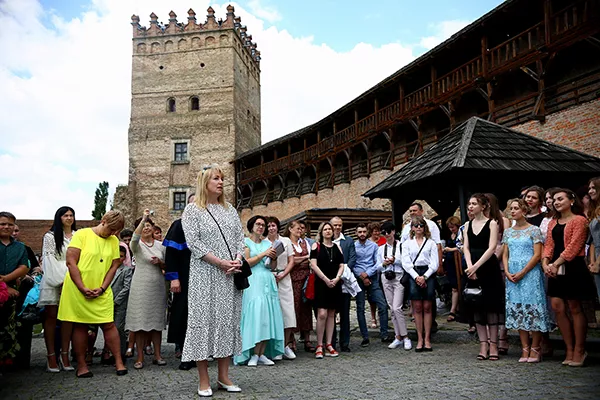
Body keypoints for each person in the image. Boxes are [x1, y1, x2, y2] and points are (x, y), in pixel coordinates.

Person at [181, 165, 244, 397]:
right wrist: (220, 262)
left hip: (229, 276)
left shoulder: (230, 210)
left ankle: (224, 377)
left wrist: (237, 259)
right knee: (202, 322)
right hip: (204, 274)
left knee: (226, 322)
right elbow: (193, 243)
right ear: (204, 182)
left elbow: (240, 238)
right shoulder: (192, 210)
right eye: (215, 178)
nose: (220, 182)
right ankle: (204, 379)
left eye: (222, 178)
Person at [57, 210, 128, 377]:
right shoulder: (82, 235)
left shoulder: (113, 240)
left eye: (117, 231)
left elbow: (113, 267)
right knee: (80, 325)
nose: (113, 233)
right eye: (111, 229)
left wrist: (103, 288)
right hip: (78, 288)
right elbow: (71, 262)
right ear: (103, 221)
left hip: (101, 289)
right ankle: (82, 365)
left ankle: (118, 362)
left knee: (109, 324)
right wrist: (82, 287)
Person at [543, 189, 595, 367]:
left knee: (574, 307)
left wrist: (555, 264)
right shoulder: (553, 222)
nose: (556, 202)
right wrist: (545, 263)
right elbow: (549, 245)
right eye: (554, 200)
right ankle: (569, 349)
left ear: (571, 200)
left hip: (573, 267)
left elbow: (574, 246)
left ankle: (580, 350)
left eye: (560, 199)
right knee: (557, 306)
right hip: (554, 267)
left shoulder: (580, 220)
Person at [502, 199, 551, 363]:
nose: (513, 211)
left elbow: (537, 254)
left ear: (524, 210)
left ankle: (536, 347)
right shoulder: (508, 232)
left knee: (532, 308)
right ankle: (524, 348)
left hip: (530, 273)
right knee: (519, 310)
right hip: (512, 273)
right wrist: (507, 271)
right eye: (511, 208)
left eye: (516, 208)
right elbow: (505, 254)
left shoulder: (534, 230)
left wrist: (523, 271)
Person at [235, 216, 284, 366]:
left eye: (263, 225)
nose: (261, 227)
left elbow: (272, 266)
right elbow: (247, 263)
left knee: (267, 317)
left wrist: (273, 257)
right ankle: (251, 352)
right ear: (252, 226)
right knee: (255, 315)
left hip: (267, 280)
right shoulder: (245, 242)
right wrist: (264, 254)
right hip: (253, 280)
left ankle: (261, 353)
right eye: (258, 224)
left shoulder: (268, 243)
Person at [463, 194, 504, 361]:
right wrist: (469, 266)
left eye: (474, 204)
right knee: (477, 307)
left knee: (491, 307)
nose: (471, 207)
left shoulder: (492, 223)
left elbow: (492, 247)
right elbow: (466, 247)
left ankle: (493, 344)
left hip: (488, 267)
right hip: (471, 267)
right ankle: (483, 344)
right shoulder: (467, 225)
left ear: (484, 206)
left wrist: (476, 266)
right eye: (469, 204)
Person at [125, 211, 167, 369]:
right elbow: (134, 238)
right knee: (140, 323)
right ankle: (140, 357)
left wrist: (160, 262)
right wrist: (143, 219)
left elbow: (167, 265)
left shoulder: (161, 246)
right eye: (144, 226)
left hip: (157, 285)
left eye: (149, 225)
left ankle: (158, 355)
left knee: (157, 322)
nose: (146, 228)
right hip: (140, 286)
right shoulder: (136, 245)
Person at [38, 206, 76, 372]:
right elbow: (49, 260)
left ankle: (65, 354)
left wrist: (73, 279)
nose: (69, 218)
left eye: (71, 215)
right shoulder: (50, 236)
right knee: (51, 318)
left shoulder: (77, 235)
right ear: (59, 217)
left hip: (73, 279)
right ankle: (51, 356)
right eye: (65, 215)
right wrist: (60, 281)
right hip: (54, 280)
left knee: (68, 318)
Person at [164, 194, 195, 370]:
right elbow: (171, 254)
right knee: (184, 315)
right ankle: (186, 354)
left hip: (203, 278)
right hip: (184, 276)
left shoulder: (207, 225)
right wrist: (174, 278)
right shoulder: (179, 225)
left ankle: (201, 353)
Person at [402, 216, 439, 352]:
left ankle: (427, 338)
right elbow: (406, 263)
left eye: (421, 225)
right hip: (414, 273)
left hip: (428, 273)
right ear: (412, 228)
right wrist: (416, 277)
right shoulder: (407, 244)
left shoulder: (431, 243)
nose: (418, 228)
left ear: (425, 228)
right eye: (416, 225)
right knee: (417, 307)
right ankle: (420, 338)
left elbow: (434, 263)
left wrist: (425, 276)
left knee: (427, 306)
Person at [310, 222, 344, 359]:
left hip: (334, 283)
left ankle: (329, 344)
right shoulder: (316, 246)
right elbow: (313, 264)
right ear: (321, 232)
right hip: (321, 283)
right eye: (325, 229)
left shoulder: (337, 247)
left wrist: (337, 278)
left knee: (331, 314)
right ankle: (319, 344)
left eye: (330, 229)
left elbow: (341, 265)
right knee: (322, 313)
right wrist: (325, 279)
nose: (328, 231)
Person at [0, 212, 30, 368]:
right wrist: (4, 287)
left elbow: (24, 267)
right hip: (5, 290)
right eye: (2, 224)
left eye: (10, 224)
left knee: (8, 328)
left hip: (12, 293)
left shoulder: (20, 247)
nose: (6, 227)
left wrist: (6, 280)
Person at [266, 216, 297, 360]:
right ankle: (274, 348)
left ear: (278, 227)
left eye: (273, 225)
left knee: (288, 312)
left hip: (284, 277)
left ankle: (285, 345)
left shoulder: (286, 241)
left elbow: (291, 261)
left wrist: (284, 274)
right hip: (269, 278)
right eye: (268, 226)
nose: (271, 228)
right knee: (272, 313)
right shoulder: (263, 242)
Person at [353, 223, 389, 346]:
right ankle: (365, 337)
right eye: (360, 232)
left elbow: (377, 263)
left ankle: (384, 334)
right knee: (360, 307)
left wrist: (367, 274)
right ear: (356, 233)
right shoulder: (353, 246)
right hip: (359, 279)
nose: (362, 234)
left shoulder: (374, 246)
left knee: (382, 305)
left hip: (372, 277)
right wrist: (361, 276)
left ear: (367, 232)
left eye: (364, 232)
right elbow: (352, 264)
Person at [378, 221, 412, 350]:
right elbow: (377, 266)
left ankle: (405, 336)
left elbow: (406, 262)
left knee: (397, 307)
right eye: (384, 232)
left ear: (393, 231)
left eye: (388, 231)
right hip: (386, 277)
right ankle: (398, 336)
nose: (387, 234)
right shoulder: (381, 249)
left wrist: (395, 261)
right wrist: (384, 263)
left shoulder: (402, 246)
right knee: (392, 308)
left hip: (398, 277)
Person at [282, 220, 314, 352]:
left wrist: (299, 260)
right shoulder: (286, 243)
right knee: (293, 308)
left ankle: (307, 339)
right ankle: (291, 339)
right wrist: (305, 258)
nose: (300, 230)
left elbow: (311, 259)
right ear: (290, 229)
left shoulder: (305, 243)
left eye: (301, 228)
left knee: (306, 308)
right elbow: (290, 261)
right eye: (297, 228)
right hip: (292, 279)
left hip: (306, 279)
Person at [484, 193, 510, 355]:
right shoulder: (479, 221)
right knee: (487, 302)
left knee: (502, 301)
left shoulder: (503, 220)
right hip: (483, 262)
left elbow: (505, 243)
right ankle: (488, 337)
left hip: (498, 262)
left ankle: (503, 336)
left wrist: (494, 259)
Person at [330, 216, 357, 351]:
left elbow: (352, 258)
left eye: (339, 225)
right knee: (331, 314)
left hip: (344, 281)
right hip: (330, 281)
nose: (337, 227)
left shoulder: (348, 241)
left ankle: (344, 343)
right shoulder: (326, 241)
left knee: (345, 314)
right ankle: (331, 342)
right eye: (335, 225)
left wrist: (342, 273)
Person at [105, 246, 133, 360]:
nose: (119, 258)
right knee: (107, 328)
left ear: (124, 257)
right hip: (106, 302)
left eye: (121, 256)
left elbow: (126, 287)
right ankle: (107, 352)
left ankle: (120, 353)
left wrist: (116, 301)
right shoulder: (106, 269)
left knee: (118, 328)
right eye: (117, 256)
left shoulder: (126, 270)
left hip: (119, 304)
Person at [367, 221, 386, 328]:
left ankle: (382, 316)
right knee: (372, 297)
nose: (377, 233)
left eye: (378, 231)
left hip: (383, 271)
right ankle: (373, 317)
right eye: (375, 231)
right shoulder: (368, 242)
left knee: (382, 295)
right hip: (372, 271)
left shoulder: (383, 240)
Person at [443, 216, 462, 322]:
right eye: (450, 227)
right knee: (453, 286)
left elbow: (462, 247)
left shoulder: (461, 234)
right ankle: (456, 308)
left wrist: (450, 249)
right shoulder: (450, 235)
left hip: (458, 263)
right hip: (449, 264)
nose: (451, 229)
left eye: (453, 227)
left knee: (456, 286)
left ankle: (453, 310)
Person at [588, 177, 600, 301]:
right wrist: (592, 261)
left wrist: (598, 263)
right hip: (596, 254)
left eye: (594, 188)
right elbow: (592, 240)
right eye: (589, 188)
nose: (590, 191)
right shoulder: (595, 210)